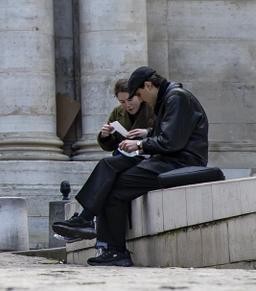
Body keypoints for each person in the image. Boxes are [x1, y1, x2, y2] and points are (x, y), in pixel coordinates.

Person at [52, 67, 209, 266]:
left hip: (180, 162)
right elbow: (171, 135)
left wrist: (141, 143)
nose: (141, 99)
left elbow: (172, 142)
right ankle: (89, 225)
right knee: (109, 166)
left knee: (115, 184)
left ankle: (113, 248)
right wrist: (146, 134)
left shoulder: (176, 98)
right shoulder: (170, 98)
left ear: (148, 86)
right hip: (166, 159)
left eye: (139, 94)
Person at [97, 78, 155, 154]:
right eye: (122, 102)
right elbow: (110, 147)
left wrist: (147, 132)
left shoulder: (153, 109)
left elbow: (165, 135)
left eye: (130, 100)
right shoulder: (117, 112)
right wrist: (105, 136)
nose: (127, 105)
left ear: (139, 96)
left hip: (149, 155)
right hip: (125, 155)